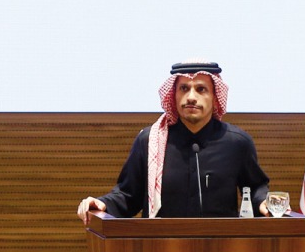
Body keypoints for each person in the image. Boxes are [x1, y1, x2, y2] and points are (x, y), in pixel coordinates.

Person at [77, 60, 269, 222]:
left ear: (215, 98)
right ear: (174, 95)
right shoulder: (149, 141)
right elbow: (128, 196)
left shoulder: (236, 143)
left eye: (201, 89)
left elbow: (255, 189)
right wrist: (103, 203)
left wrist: (263, 202)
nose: (191, 97)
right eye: (184, 89)